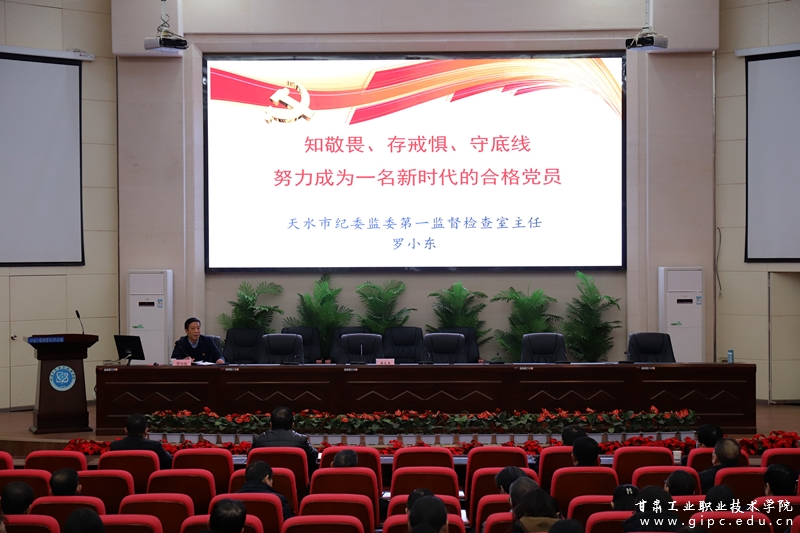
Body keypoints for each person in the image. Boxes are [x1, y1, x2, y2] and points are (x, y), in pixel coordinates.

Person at [252, 407, 318, 475]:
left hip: (264, 480)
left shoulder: (258, 440)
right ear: (292, 425)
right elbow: (314, 457)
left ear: (271, 425)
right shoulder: (301, 440)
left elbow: (251, 460)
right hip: (297, 480)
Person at [109, 412, 173, 470]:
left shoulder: (115, 446)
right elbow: (170, 464)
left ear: (125, 430)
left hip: (124, 479)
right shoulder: (155, 446)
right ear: (146, 431)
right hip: (149, 479)